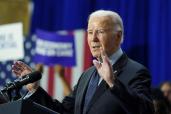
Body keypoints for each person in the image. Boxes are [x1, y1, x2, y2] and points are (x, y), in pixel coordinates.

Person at [12, 10, 154, 114]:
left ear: (118, 36)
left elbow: (145, 110)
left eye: (100, 31)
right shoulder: (86, 76)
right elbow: (63, 111)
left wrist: (113, 83)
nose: (93, 39)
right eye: (90, 32)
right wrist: (35, 89)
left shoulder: (136, 71)